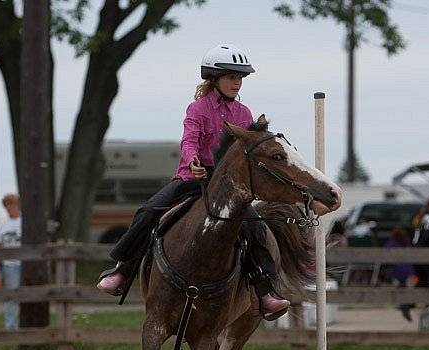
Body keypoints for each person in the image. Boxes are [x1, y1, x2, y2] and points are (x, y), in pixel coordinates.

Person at [96, 44, 290, 319]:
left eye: (240, 77)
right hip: (192, 178)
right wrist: (192, 161)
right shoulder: (197, 108)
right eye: (231, 76)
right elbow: (189, 140)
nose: (237, 82)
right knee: (149, 211)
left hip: (227, 188)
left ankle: (264, 290)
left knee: (256, 229)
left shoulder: (245, 114)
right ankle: (123, 270)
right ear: (214, 79)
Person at [0, 193, 22, 330]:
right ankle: (11, 327)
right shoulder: (3, 224)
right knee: (11, 297)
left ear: (17, 205)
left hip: (26, 264)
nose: (9, 208)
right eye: (7, 205)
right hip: (10, 265)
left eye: (11, 204)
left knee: (29, 294)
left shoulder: (24, 221)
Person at [385, 226, 415, 322]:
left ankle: (401, 303)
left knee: (398, 287)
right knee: (408, 288)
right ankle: (407, 303)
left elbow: (386, 257)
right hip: (408, 270)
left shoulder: (391, 244)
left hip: (396, 270)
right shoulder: (407, 244)